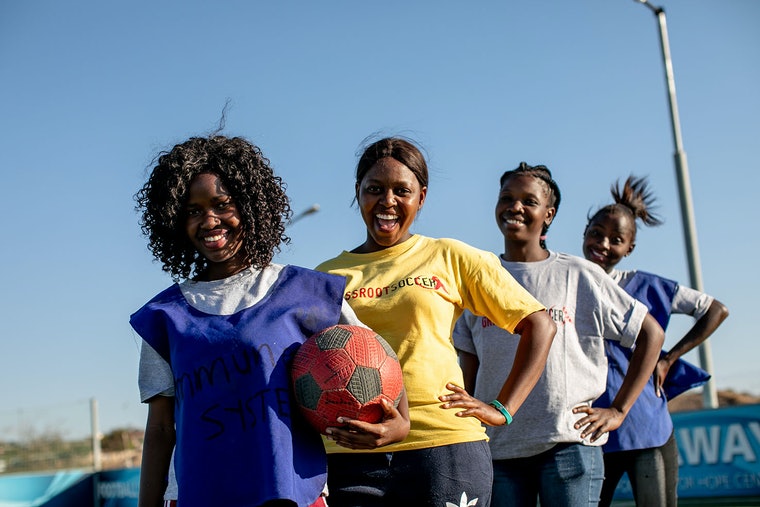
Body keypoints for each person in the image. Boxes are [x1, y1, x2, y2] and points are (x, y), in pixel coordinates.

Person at [130, 134, 407, 507]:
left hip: (290, 492)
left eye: (222, 204)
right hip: (200, 495)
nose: (209, 220)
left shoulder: (305, 292)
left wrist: (399, 423)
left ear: (250, 206)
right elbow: (161, 429)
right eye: (193, 210)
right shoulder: (164, 317)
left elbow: (377, 359)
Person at [314, 137, 557, 507]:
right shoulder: (325, 277)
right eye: (374, 189)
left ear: (421, 197)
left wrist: (502, 408)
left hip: (444, 446)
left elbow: (539, 324)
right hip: (351, 454)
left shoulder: (449, 256)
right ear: (358, 192)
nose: (388, 202)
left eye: (402, 191)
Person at [453, 162, 666, 507]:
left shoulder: (578, 273)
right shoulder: (479, 278)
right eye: (507, 197)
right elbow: (469, 367)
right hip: (499, 448)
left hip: (569, 446)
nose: (515, 207)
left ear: (548, 215)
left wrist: (619, 410)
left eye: (528, 200)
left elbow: (651, 333)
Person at [583, 175, 729, 507]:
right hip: (591, 430)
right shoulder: (569, 279)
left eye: (616, 239)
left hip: (645, 427)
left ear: (629, 248)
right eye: (597, 234)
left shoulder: (649, 286)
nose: (603, 244)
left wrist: (670, 357)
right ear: (585, 232)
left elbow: (716, 310)